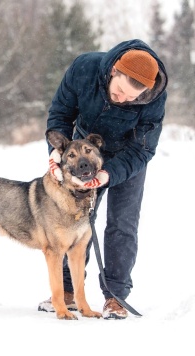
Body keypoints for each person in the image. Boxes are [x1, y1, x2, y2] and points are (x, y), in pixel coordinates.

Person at [38, 39, 168, 319]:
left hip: (127, 156)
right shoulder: (85, 68)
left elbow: (143, 147)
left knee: (123, 223)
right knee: (69, 219)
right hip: (83, 152)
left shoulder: (154, 98)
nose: (123, 99)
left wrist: (108, 173)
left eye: (132, 98)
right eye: (120, 91)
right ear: (113, 72)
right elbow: (61, 113)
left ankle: (115, 296)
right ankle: (69, 289)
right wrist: (56, 154)